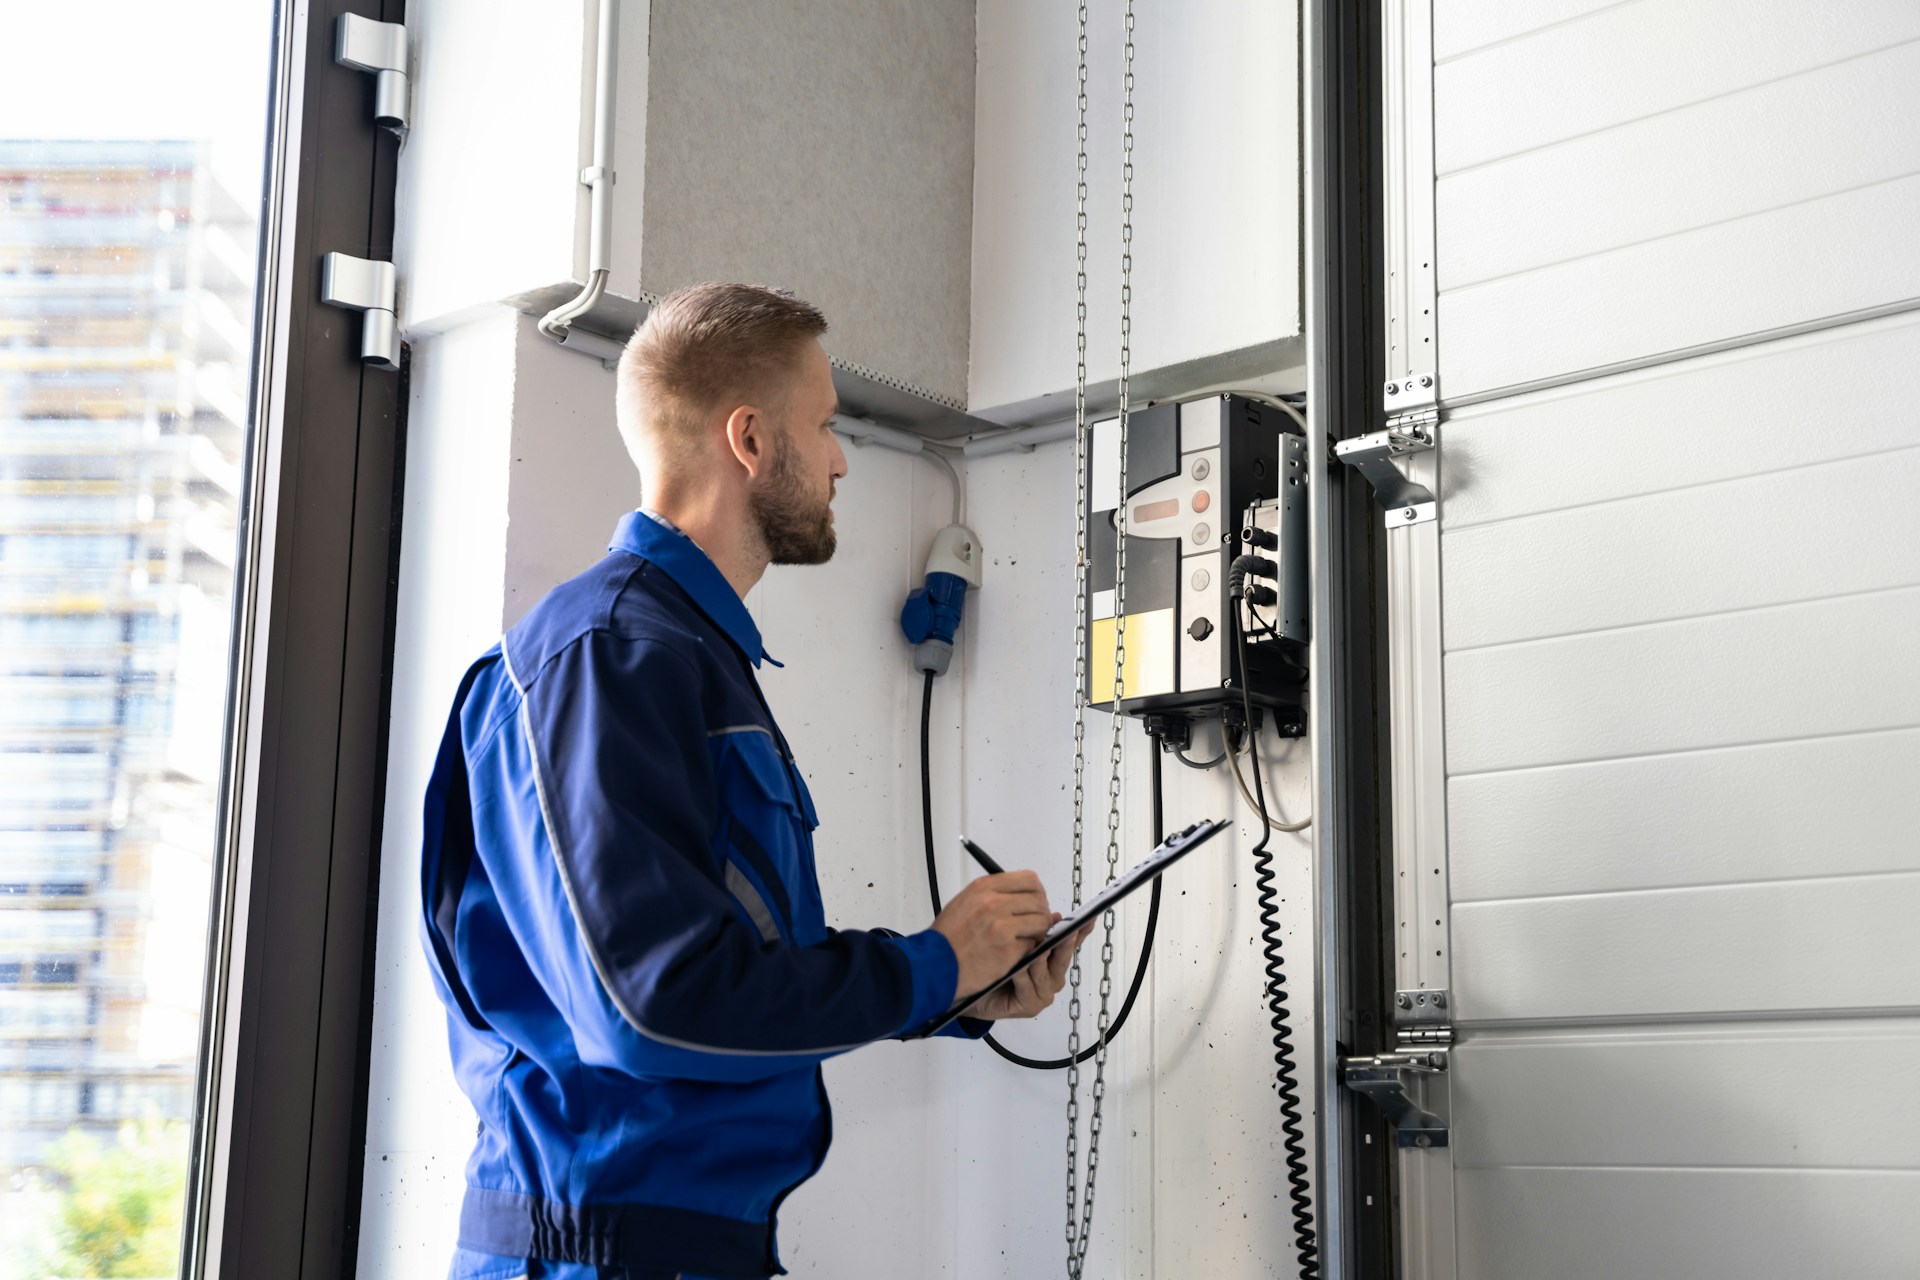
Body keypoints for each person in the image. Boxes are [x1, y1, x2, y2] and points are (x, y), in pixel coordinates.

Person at [417, 282, 1089, 1280]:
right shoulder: (608, 657)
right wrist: (929, 966)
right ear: (748, 438)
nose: (838, 456)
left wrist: (956, 986)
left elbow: (720, 971)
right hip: (598, 1254)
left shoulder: (682, 656)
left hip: (684, 1244)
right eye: (820, 424)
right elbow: (650, 1006)